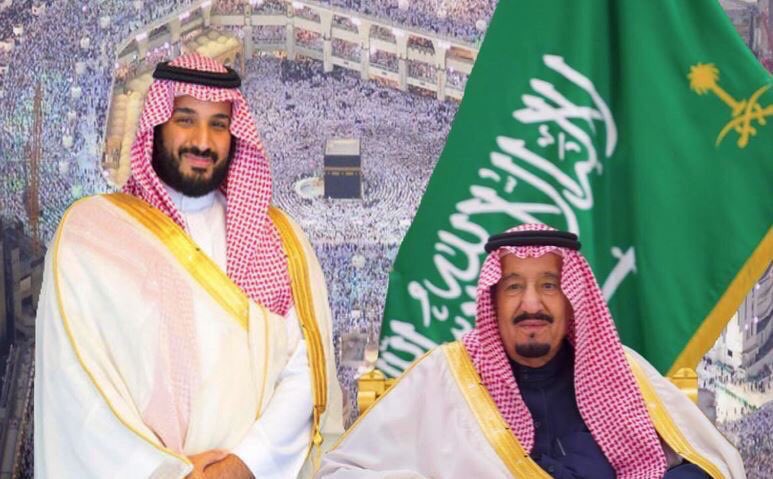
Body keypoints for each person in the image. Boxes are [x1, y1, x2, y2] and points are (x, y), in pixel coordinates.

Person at [35, 53, 343, 479]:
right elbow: (77, 384)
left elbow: (306, 369)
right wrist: (169, 471)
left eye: (218, 124)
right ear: (156, 125)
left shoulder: (277, 238)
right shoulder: (94, 236)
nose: (202, 141)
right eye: (185, 120)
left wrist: (244, 463)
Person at [317, 224, 745, 479]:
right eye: (513, 287)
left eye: (549, 285)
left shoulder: (621, 372)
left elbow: (706, 464)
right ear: (492, 300)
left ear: (572, 298)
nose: (531, 304)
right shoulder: (444, 378)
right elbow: (342, 472)